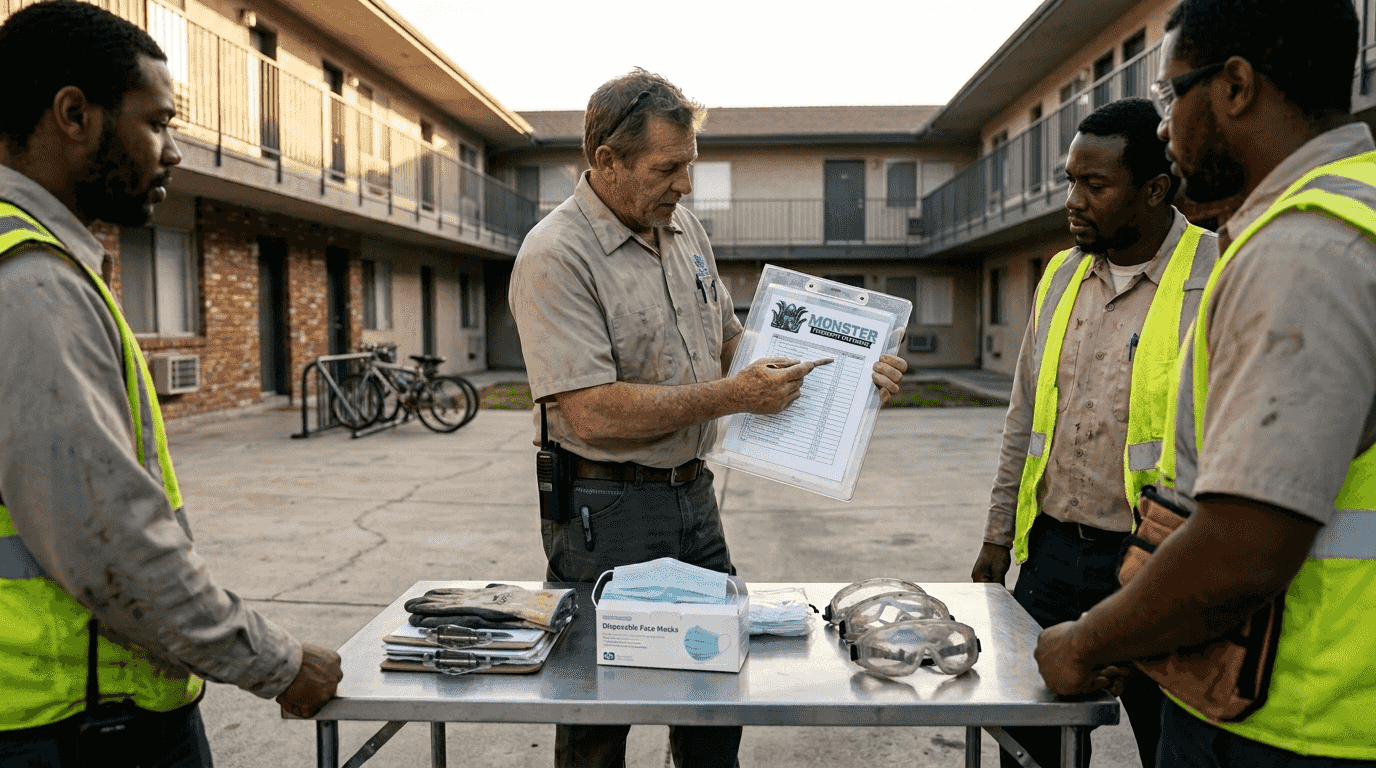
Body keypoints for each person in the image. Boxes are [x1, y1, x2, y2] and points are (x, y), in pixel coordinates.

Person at [509, 68, 906, 768]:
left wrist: (849, 371)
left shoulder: (681, 227)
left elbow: (731, 344)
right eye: (669, 169)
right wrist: (733, 396)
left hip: (692, 495)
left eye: (689, 167)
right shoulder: (555, 255)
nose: (686, 187)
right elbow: (591, 411)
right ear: (606, 160)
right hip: (606, 507)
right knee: (604, 701)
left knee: (717, 678)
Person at [1033, 0, 1376, 765]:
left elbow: (1245, 545)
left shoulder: (1305, 251)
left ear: (1236, 87)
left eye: (1169, 95)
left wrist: (1090, 640)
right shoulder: (1356, 212)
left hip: (1289, 715)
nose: (1163, 127)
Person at [0, 2, 342, 765]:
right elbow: (109, 540)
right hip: (78, 725)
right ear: (73, 115)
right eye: (159, 123)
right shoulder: (31, 285)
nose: (174, 151)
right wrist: (277, 663)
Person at [971, 96, 1218, 768]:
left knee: (1173, 749)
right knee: (1029, 750)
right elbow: (1024, 414)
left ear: (1154, 190)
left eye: (1095, 185)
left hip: (1155, 568)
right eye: (1070, 182)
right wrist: (998, 537)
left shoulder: (1217, 275)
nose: (1073, 202)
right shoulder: (1059, 275)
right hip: (1049, 559)